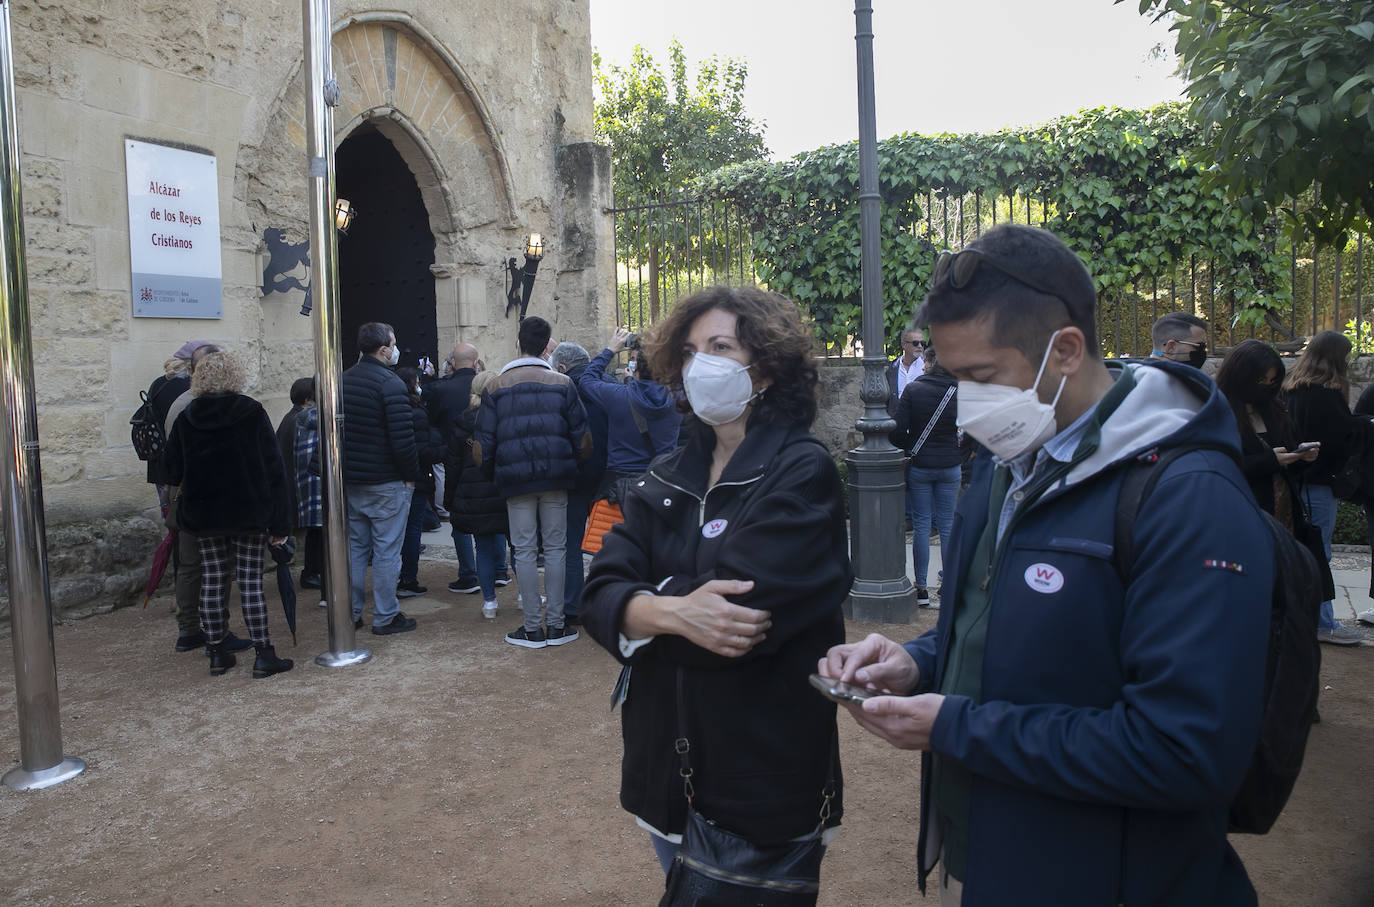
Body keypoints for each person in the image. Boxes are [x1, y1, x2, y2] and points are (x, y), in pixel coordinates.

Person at [821, 224, 1272, 905]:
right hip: (985, 861)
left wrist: (955, 726)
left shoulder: (1189, 497)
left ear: (1064, 350)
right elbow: (995, 626)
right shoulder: (1011, 464)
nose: (966, 404)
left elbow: (1186, 752)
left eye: (980, 376)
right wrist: (917, 660)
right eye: (951, 375)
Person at [582, 286, 851, 880]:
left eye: (721, 346)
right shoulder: (666, 475)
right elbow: (597, 593)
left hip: (762, 774)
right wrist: (676, 612)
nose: (699, 362)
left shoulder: (802, 470)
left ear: (766, 368)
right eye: (689, 349)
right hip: (662, 770)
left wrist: (643, 606)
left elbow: (740, 624)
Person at [162, 350, 293, 678]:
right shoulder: (251, 411)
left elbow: (172, 471)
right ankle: (263, 653)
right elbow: (274, 469)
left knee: (213, 579)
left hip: (205, 512)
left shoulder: (188, 415)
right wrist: (280, 521)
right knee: (249, 581)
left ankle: (217, 652)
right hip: (248, 509)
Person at [474, 315, 591, 648]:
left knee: (523, 550)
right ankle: (555, 625)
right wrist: (573, 466)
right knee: (556, 549)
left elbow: (483, 444)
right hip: (556, 477)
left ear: (517, 343)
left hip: (515, 480)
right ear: (546, 347)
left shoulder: (495, 385)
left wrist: (495, 474)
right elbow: (582, 437)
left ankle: (531, 628)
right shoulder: (563, 384)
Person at [161, 342, 253, 655]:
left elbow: (171, 463)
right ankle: (215, 633)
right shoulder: (221, 406)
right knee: (217, 569)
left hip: (187, 495)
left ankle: (191, 629)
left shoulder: (181, 404)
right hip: (212, 497)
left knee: (191, 566)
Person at [1282, 330, 1370, 645]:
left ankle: (1308, 619)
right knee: (1320, 553)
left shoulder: (1293, 388)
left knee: (1305, 551)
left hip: (1298, 480)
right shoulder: (1325, 394)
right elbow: (1339, 439)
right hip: (1319, 483)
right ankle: (1323, 623)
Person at [342, 321, 420, 635]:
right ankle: (386, 615)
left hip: (352, 480)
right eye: (394, 343)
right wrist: (411, 476)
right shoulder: (390, 384)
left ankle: (351, 611)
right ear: (384, 349)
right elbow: (402, 439)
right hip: (386, 481)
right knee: (387, 550)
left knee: (357, 550)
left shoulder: (342, 381)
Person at [426, 341, 510, 595]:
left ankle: (469, 574)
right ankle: (501, 570)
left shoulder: (441, 390)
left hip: (460, 467)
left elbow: (432, 425)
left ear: (452, 361)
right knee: (496, 524)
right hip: (494, 476)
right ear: (476, 363)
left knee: (463, 525)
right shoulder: (502, 414)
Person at [1215, 340, 1320, 525]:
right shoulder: (1217, 412)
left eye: (1272, 381)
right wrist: (1269, 461)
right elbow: (1217, 466)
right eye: (1261, 380)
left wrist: (1301, 457)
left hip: (1282, 514)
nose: (1267, 386)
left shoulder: (1275, 409)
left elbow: (1288, 453)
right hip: (1239, 513)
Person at [890, 345, 959, 607]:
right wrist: (958, 452)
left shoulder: (914, 389)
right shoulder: (958, 390)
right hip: (950, 464)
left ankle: (921, 588)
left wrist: (911, 447)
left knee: (920, 525)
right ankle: (948, 583)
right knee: (947, 526)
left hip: (921, 465)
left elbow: (897, 430)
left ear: (928, 362)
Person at [551, 340, 611, 624]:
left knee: (570, 543)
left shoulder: (561, 388)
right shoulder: (610, 383)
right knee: (610, 543)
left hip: (575, 475)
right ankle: (607, 603)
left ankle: (572, 606)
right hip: (611, 475)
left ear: (562, 367)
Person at [447, 370, 510, 620]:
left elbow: (452, 462)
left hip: (473, 490)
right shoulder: (504, 416)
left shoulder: (463, 420)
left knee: (482, 547)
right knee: (517, 545)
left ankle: (489, 602)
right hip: (502, 486)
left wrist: (451, 497)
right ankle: (522, 595)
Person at [396, 366, 447, 598]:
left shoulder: (394, 406)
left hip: (396, 477)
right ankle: (408, 578)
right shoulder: (416, 411)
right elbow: (421, 449)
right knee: (413, 528)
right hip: (414, 478)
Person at [886, 325, 926, 415]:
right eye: (915, 343)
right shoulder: (893, 368)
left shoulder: (927, 366)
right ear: (904, 344)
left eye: (922, 343)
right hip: (898, 422)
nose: (920, 346)